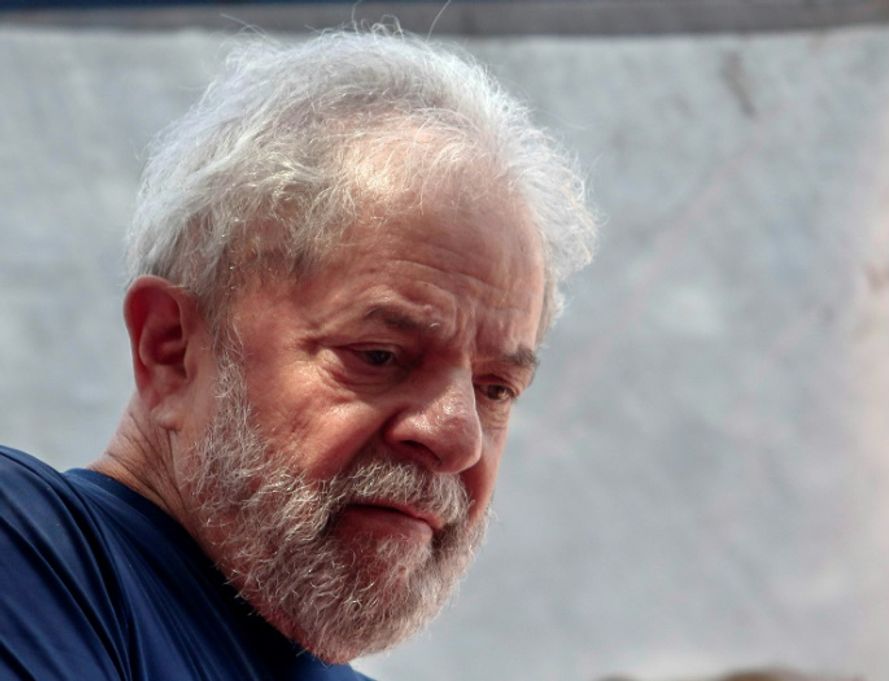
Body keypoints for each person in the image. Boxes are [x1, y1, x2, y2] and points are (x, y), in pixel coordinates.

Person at [0, 26, 596, 680]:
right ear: (171, 349)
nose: (459, 438)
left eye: (496, 389)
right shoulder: (35, 555)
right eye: (379, 354)